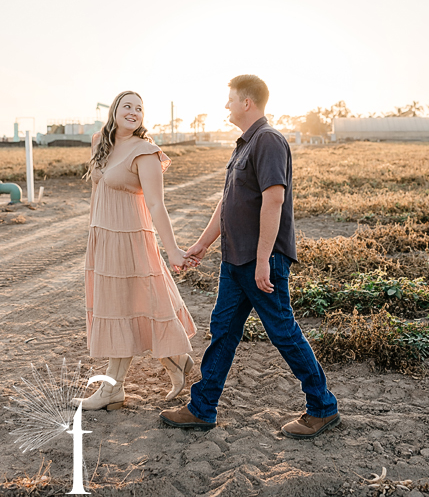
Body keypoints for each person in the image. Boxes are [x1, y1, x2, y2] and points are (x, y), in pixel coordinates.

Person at [160, 75, 339, 438]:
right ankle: (202, 408)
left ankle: (322, 408)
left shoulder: (268, 140)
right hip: (235, 261)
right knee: (222, 333)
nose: (225, 105)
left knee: (284, 333)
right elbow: (228, 204)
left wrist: (262, 260)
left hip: (261, 262)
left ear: (247, 103)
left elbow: (274, 200)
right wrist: (202, 244)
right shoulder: (243, 144)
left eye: (230, 99)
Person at [74, 91, 197, 411]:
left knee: (133, 305)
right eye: (127, 106)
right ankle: (176, 359)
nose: (133, 111)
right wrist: (93, 234)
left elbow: (157, 204)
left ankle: (113, 389)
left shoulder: (145, 151)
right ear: (114, 110)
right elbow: (96, 190)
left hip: (131, 238)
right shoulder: (99, 141)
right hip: (104, 238)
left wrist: (172, 251)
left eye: (139, 108)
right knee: (119, 306)